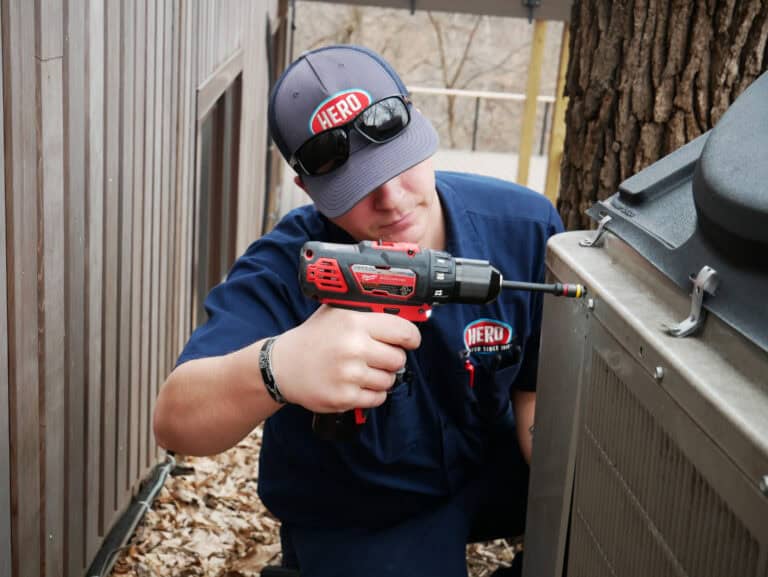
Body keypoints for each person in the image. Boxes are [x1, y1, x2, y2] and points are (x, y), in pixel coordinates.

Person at [153, 44, 563, 577]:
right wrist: (278, 367)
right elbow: (176, 420)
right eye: (356, 187)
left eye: (398, 163)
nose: (390, 198)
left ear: (420, 124)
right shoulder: (289, 267)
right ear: (308, 189)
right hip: (362, 510)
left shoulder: (524, 226)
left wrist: (566, 503)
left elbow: (534, 387)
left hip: (490, 466)